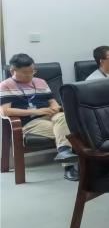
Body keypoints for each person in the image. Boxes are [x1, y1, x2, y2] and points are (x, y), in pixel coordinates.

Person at [0, 53, 77, 181]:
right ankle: (69, 166)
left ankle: (64, 153)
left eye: (32, 71)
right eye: (25, 73)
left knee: (63, 117)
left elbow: (53, 102)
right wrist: (36, 112)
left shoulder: (41, 82)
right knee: (69, 130)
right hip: (29, 122)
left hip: (50, 116)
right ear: (13, 71)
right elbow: (5, 111)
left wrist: (55, 107)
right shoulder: (5, 85)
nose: (30, 75)